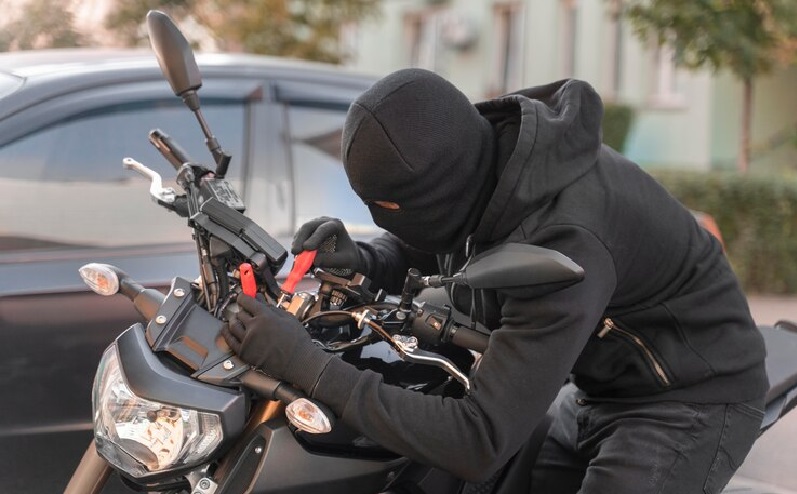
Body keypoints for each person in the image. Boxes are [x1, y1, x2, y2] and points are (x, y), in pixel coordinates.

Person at [223, 68, 768, 493]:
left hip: (688, 396)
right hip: (600, 381)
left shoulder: (562, 245)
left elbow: (478, 438)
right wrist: (366, 258)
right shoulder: (488, 160)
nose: (382, 217)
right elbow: (439, 232)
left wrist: (309, 367)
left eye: (386, 208)